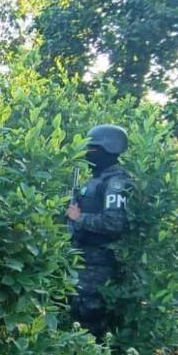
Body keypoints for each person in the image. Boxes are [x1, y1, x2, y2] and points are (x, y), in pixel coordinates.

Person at [66, 124, 133, 337]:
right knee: (75, 314)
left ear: (108, 149)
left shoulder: (116, 181)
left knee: (90, 320)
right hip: (83, 260)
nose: (88, 153)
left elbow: (114, 223)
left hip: (98, 264)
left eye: (93, 149)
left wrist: (79, 218)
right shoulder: (97, 178)